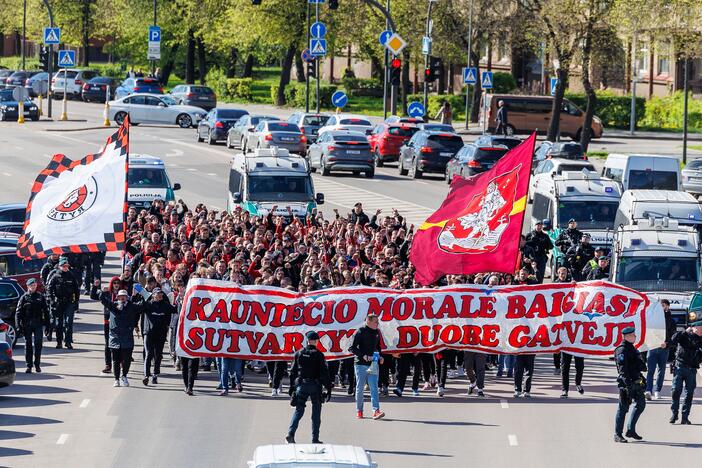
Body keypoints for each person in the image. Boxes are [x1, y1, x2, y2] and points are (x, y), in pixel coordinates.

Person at [285, 331, 332, 444]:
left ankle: (290, 433)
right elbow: (324, 373)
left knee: (299, 410)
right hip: (315, 386)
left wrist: (291, 388)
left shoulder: (299, 353)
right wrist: (328, 389)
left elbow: (292, 372)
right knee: (316, 412)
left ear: (307, 340)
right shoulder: (319, 355)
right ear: (316, 341)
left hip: (301, 385)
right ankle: (314, 438)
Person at [99, 289, 141, 387]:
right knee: (116, 360)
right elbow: (103, 300)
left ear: (127, 297)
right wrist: (103, 292)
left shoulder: (131, 306)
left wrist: (142, 294)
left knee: (127, 359)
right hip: (115, 337)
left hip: (127, 337)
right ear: (117, 297)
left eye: (124, 296)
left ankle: (124, 376)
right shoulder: (113, 306)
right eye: (120, 296)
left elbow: (143, 306)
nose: (122, 298)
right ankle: (116, 379)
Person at [614, 326, 647, 442]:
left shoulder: (633, 348)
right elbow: (623, 370)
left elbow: (640, 365)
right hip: (627, 383)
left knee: (641, 404)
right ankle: (617, 434)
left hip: (637, 381)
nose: (635, 337)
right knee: (623, 408)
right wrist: (628, 386)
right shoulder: (621, 350)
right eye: (633, 335)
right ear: (627, 336)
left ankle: (630, 430)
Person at [350, 314, 385, 420]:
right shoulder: (360, 331)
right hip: (360, 364)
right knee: (360, 388)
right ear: (368, 322)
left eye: (377, 322)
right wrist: (363, 355)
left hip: (373, 363)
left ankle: (376, 411)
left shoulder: (377, 332)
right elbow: (352, 348)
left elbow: (377, 347)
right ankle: (359, 411)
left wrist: (380, 356)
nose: (377, 324)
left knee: (374, 387)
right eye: (375, 322)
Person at [138, 288, 175, 386]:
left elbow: (176, 309)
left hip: (161, 334)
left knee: (158, 355)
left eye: (161, 294)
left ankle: (155, 375)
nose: (160, 295)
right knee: (148, 354)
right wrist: (138, 297)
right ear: (153, 295)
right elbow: (137, 308)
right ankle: (146, 375)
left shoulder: (166, 305)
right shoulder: (148, 304)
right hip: (149, 333)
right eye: (158, 294)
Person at [668, 321, 702, 425]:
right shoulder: (685, 336)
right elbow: (673, 340)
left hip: (692, 370)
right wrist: (684, 332)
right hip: (680, 367)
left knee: (689, 394)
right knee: (676, 391)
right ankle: (674, 414)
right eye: (700, 327)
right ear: (694, 327)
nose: (701, 330)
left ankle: (685, 417)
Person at [15, 278, 50, 373]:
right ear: (28, 286)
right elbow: (18, 313)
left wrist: (48, 326)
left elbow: (46, 312)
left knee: (38, 344)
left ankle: (37, 364)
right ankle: (29, 366)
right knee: (28, 345)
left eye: (34, 285)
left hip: (38, 323)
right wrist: (18, 327)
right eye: (31, 286)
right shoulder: (24, 298)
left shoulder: (40, 296)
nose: (33, 287)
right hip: (27, 324)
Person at [645, 299, 676, 400]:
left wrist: (667, 344)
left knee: (661, 370)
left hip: (664, 349)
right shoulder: (652, 318)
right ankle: (648, 390)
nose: (662, 307)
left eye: (663, 305)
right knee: (650, 370)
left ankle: (657, 390)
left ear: (667, 306)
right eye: (660, 305)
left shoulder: (671, 321)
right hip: (652, 347)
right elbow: (647, 331)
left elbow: (673, 336)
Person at [90, 277, 122, 374]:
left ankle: (120, 362)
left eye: (118, 283)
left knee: (119, 343)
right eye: (114, 283)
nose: (116, 284)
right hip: (108, 321)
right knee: (108, 343)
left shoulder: (122, 294)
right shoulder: (107, 293)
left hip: (119, 322)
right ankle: (108, 365)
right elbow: (94, 296)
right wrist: (95, 287)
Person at [47, 257, 80, 349]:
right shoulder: (55, 276)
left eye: (67, 266)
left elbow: (76, 290)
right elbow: (49, 289)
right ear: (60, 266)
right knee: (59, 324)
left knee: (69, 323)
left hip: (69, 302)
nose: (65, 267)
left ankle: (68, 341)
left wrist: (76, 302)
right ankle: (59, 342)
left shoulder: (71, 275)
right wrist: (52, 300)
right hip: (59, 303)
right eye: (64, 266)